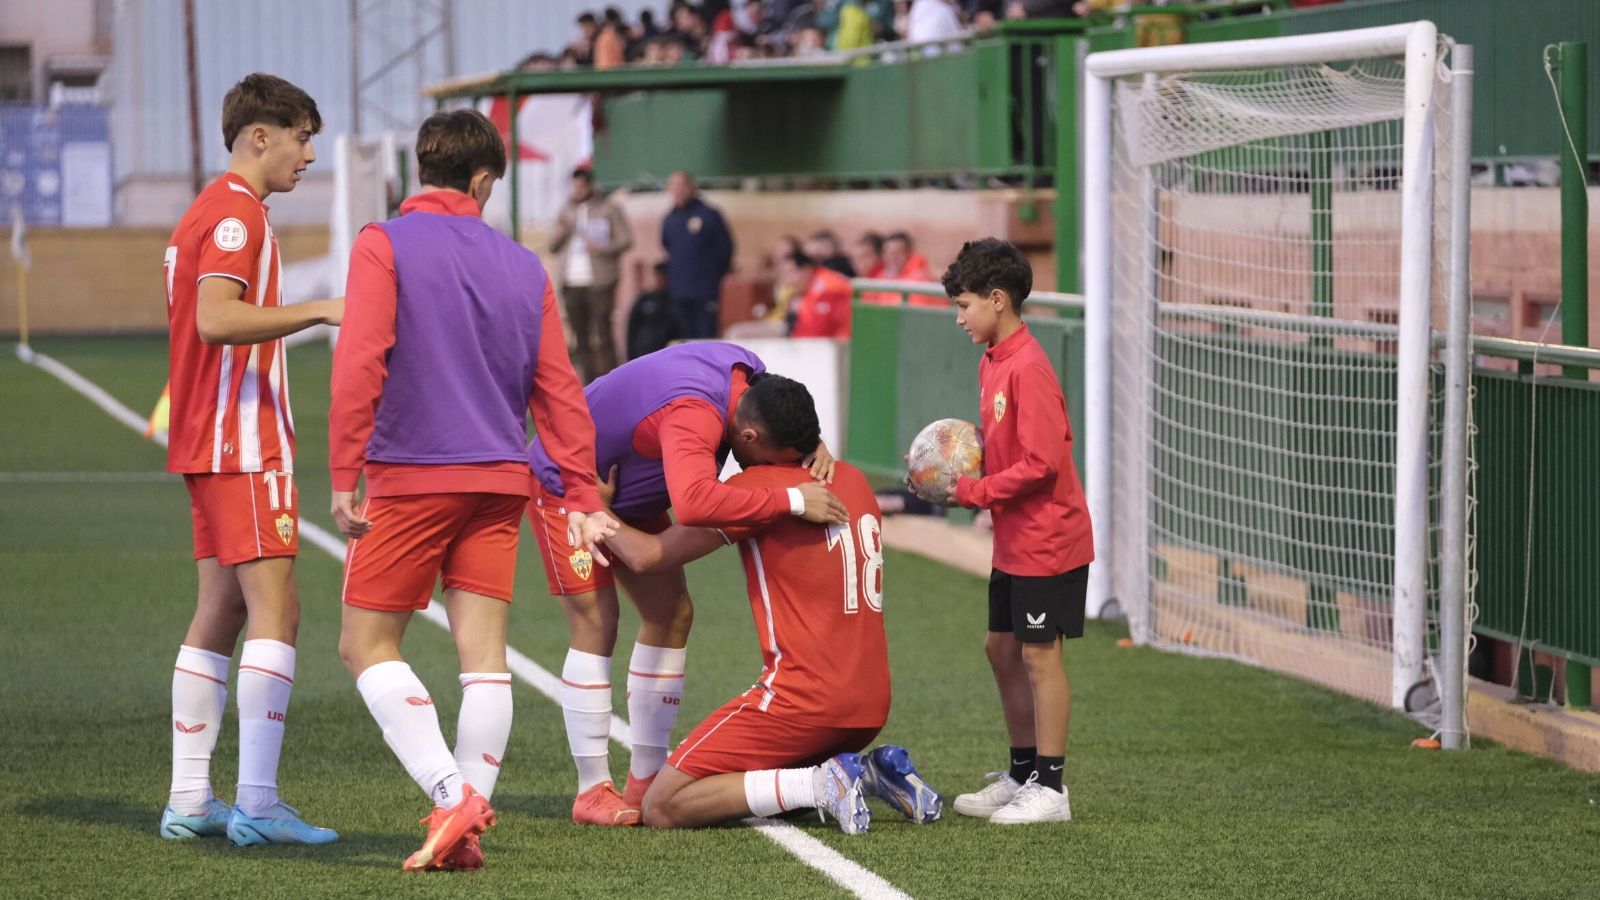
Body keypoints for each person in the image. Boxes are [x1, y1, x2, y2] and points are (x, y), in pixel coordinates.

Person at [329, 109, 616, 871]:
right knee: (484, 659)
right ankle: (464, 831)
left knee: (365, 645)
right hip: (500, 483)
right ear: (484, 180)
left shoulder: (381, 243)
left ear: (422, 168)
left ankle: (452, 795)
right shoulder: (525, 266)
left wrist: (340, 472)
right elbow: (560, 390)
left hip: (411, 477)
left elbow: (360, 360)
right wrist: (583, 494)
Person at [526, 345, 849, 826]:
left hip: (625, 489)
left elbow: (776, 400)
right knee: (597, 622)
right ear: (749, 433)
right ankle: (591, 790)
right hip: (570, 483)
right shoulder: (694, 415)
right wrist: (791, 500)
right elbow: (695, 504)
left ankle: (645, 777)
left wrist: (811, 442)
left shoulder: (751, 373)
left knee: (672, 614)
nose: (770, 467)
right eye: (769, 457)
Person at [599, 387, 942, 834]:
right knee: (752, 787)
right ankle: (867, 772)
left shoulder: (754, 489)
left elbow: (645, 556)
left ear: (753, 435)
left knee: (664, 805)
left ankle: (822, 784)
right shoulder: (853, 479)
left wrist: (593, 507)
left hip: (802, 704)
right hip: (869, 707)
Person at [158, 72, 341, 847]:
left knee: (223, 609)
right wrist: (324, 306)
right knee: (279, 610)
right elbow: (215, 319)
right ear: (258, 136)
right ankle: (258, 805)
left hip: (206, 438)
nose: (307, 154)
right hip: (241, 438)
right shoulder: (236, 216)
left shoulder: (208, 209)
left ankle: (191, 798)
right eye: (301, 137)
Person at [932, 237, 1093, 825]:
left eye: (965, 305)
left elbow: (1043, 462)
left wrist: (974, 492)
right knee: (1000, 646)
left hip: (1049, 538)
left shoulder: (1029, 367)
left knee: (1039, 655)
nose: (959, 317)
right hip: (1016, 537)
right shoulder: (992, 360)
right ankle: (1023, 771)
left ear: (997, 300)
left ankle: (1051, 789)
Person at [551, 167, 633, 381]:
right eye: (575, 186)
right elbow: (552, 246)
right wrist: (563, 231)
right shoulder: (566, 210)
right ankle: (589, 384)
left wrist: (601, 248)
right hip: (571, 280)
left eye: (581, 186)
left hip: (601, 279)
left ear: (590, 185)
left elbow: (626, 240)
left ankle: (614, 380)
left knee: (603, 333)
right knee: (581, 338)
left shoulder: (608, 208)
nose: (578, 191)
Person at [661, 171, 734, 340]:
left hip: (704, 288)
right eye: (674, 186)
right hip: (679, 289)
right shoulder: (670, 218)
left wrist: (713, 276)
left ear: (692, 187)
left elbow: (725, 248)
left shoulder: (709, 214)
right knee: (686, 336)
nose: (678, 190)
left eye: (682, 185)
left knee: (706, 336)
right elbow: (667, 245)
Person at [780, 248, 855, 339]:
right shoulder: (806, 290)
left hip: (838, 346)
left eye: (791, 273)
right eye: (785, 275)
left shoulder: (829, 288)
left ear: (806, 269)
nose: (788, 281)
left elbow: (817, 330)